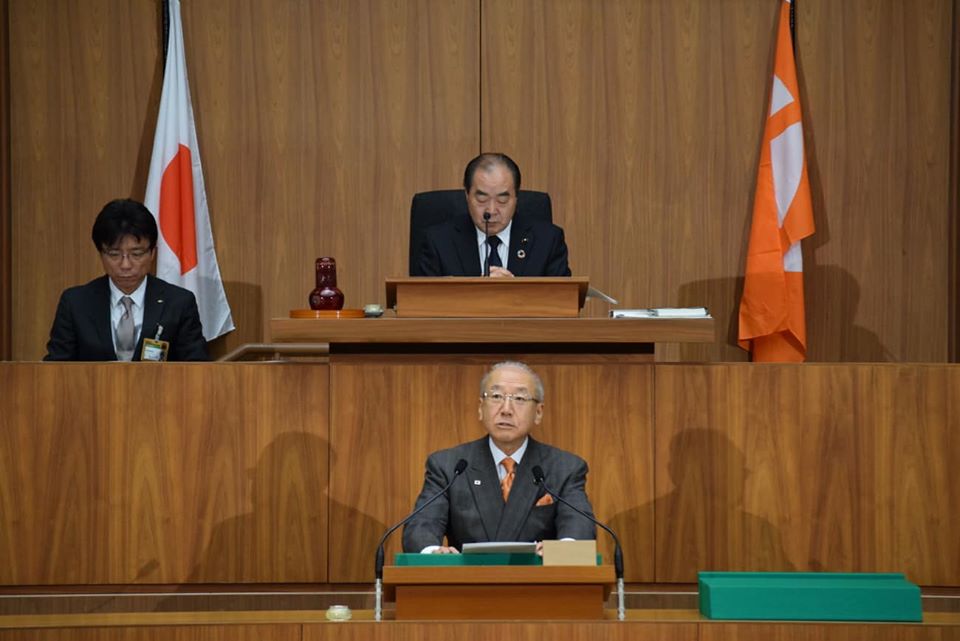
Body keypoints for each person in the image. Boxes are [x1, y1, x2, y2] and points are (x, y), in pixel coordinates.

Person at [402, 361, 595, 553]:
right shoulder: (449, 466)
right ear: (480, 408)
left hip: (537, 572)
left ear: (538, 412)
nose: (506, 409)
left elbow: (579, 527)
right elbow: (421, 526)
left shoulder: (565, 468)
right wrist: (434, 553)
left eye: (519, 398)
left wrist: (562, 550)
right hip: (469, 573)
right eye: (496, 396)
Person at [44, 199, 209, 361]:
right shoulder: (75, 303)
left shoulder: (178, 303)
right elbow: (55, 369)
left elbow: (196, 368)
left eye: (136, 254)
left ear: (152, 253)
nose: (125, 265)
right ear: (101, 254)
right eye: (114, 254)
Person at [413, 153, 572, 277]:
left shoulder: (547, 241)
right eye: (482, 198)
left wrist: (516, 292)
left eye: (502, 200)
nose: (491, 210)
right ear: (467, 195)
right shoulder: (439, 242)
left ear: (516, 197)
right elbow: (424, 302)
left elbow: (563, 301)